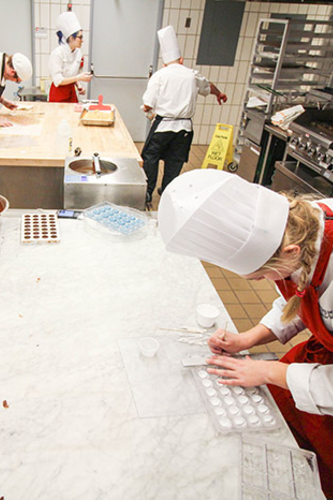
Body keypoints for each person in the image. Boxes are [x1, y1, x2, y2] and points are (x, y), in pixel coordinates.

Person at [158, 169, 333, 499]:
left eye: (260, 276)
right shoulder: (304, 224)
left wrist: (269, 370)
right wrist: (249, 338)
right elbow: (300, 297)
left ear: (292, 253)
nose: (262, 282)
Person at [142, 26, 227, 204]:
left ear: (165, 63)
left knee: (150, 157)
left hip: (163, 125)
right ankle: (166, 193)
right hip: (184, 128)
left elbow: (147, 104)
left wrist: (147, 109)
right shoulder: (191, 74)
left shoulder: (160, 75)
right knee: (175, 161)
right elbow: (208, 86)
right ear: (181, 60)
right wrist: (219, 94)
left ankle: (148, 192)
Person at [48, 11, 92, 103]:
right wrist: (78, 78)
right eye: (80, 37)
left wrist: (78, 85)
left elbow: (72, 75)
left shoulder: (78, 52)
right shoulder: (57, 53)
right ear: (71, 38)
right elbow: (58, 81)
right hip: (58, 94)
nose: (82, 40)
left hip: (71, 93)